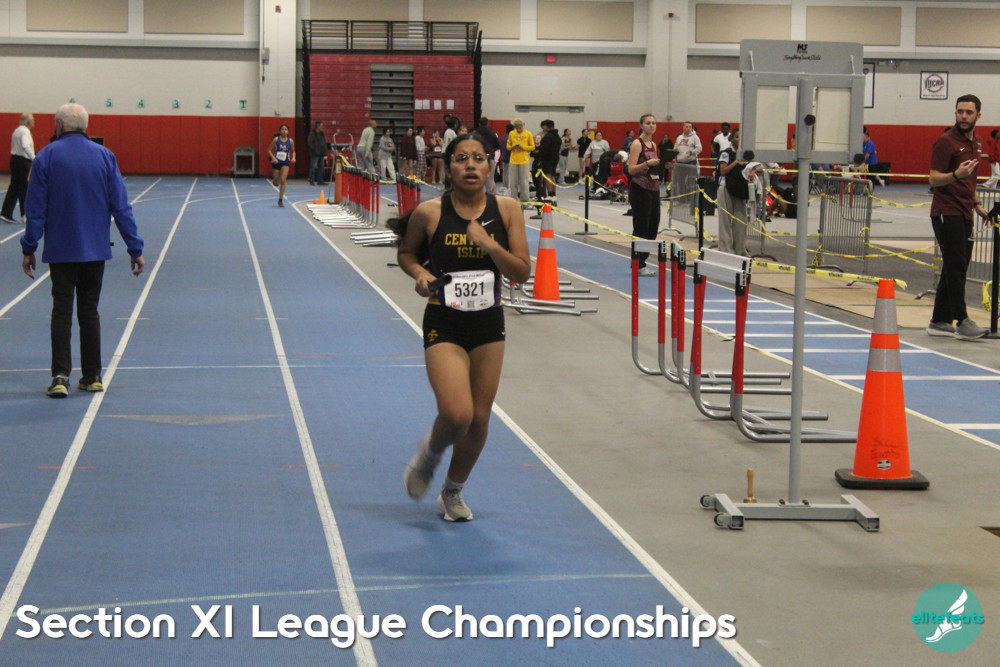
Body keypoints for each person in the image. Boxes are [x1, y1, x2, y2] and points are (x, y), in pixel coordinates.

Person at [391, 133, 531, 522]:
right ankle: (430, 454)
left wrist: (490, 245)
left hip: (488, 323)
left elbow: (522, 272)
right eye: (461, 158)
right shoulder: (430, 213)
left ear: (490, 167)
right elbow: (406, 253)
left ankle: (452, 490)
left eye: (478, 158)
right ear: (448, 168)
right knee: (457, 414)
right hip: (445, 320)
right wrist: (419, 273)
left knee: (480, 419)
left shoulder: (507, 209)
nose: (470, 164)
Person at [20, 103, 144, 398]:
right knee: (89, 311)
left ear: (59, 125)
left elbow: (35, 209)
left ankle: (60, 376)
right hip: (95, 250)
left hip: (61, 250)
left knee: (61, 311)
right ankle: (92, 376)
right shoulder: (105, 156)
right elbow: (121, 207)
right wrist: (134, 247)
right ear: (85, 126)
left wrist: (29, 247)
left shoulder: (46, 156)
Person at [927, 94, 990, 341]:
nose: (963, 116)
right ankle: (962, 321)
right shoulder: (945, 143)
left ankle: (939, 321)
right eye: (960, 111)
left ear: (978, 116)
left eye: (968, 112)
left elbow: (970, 181)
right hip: (946, 211)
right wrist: (955, 174)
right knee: (956, 266)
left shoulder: (978, 143)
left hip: (965, 211)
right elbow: (933, 178)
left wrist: (977, 205)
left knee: (956, 265)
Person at [627, 115, 665, 276]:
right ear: (641, 125)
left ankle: (643, 261)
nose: (651, 125)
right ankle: (638, 263)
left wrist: (664, 164)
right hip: (640, 188)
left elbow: (654, 168)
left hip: (653, 187)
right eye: (648, 123)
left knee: (653, 226)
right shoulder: (637, 144)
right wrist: (647, 163)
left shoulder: (653, 144)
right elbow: (631, 169)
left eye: (653, 123)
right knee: (641, 226)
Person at [716, 128, 751, 256]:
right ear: (732, 139)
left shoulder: (747, 155)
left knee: (741, 221)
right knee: (725, 220)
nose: (739, 139)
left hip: (740, 189)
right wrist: (736, 162)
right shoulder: (726, 153)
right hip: (726, 188)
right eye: (737, 137)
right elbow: (723, 171)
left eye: (741, 137)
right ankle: (725, 249)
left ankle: (740, 250)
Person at [1, 112, 35, 224]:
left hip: (15, 159)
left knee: (14, 187)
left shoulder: (17, 130)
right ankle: (25, 214)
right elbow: (25, 145)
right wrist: (34, 157)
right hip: (22, 161)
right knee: (24, 187)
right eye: (32, 120)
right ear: (29, 122)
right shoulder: (25, 132)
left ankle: (6, 212)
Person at [506, 118, 535, 204]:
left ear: (523, 125)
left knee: (524, 182)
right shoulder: (511, 133)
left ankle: (525, 200)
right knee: (513, 182)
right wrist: (512, 147)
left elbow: (532, 147)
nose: (518, 129)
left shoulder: (528, 134)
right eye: (516, 127)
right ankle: (513, 199)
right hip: (513, 161)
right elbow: (508, 146)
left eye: (520, 127)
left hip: (524, 161)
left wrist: (523, 147)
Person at [267, 124, 295, 207]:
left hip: (285, 163)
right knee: (276, 183)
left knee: (283, 180)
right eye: (282, 129)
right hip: (276, 162)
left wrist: (294, 157)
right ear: (280, 131)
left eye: (286, 129)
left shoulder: (290, 141)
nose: (284, 131)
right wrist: (273, 158)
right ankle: (277, 178)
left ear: (288, 131)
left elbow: (293, 151)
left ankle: (280, 200)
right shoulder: (276, 140)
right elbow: (269, 150)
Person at [536, 119, 561, 204]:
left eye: (544, 126)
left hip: (548, 159)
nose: (543, 128)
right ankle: (553, 195)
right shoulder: (558, 136)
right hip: (556, 158)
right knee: (553, 176)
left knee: (548, 176)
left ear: (547, 126)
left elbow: (543, 150)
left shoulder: (547, 137)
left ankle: (550, 194)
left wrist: (539, 154)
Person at [307, 120, 327, 186]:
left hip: (321, 153)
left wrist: (324, 150)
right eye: (321, 126)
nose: (322, 127)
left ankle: (320, 181)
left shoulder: (321, 133)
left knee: (321, 167)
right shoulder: (312, 133)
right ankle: (311, 180)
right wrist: (315, 149)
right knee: (313, 167)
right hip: (314, 153)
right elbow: (310, 143)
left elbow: (323, 142)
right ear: (317, 126)